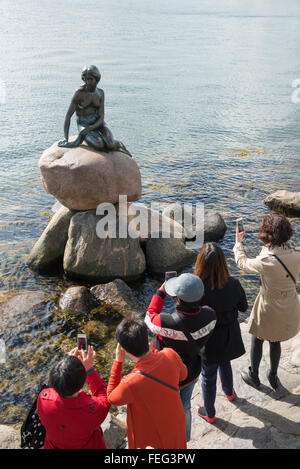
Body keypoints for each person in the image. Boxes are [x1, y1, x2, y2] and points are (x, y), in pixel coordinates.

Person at [144, 273, 216, 441]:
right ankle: (184, 439)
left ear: (176, 298)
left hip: (166, 375)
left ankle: (163, 439)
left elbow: (149, 315)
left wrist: (161, 292)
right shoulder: (210, 315)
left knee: (161, 408)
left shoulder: (164, 322)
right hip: (191, 372)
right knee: (185, 406)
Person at [234, 214, 300, 389]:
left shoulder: (266, 260)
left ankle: (254, 375)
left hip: (268, 306)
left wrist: (238, 243)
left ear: (267, 235)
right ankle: (273, 375)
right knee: (275, 340)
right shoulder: (296, 254)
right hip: (289, 304)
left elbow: (242, 263)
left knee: (258, 337)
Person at [107, 316, 187, 449]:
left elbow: (111, 397)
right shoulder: (170, 354)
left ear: (125, 350)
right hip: (175, 422)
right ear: (146, 337)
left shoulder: (130, 383)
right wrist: (154, 352)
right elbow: (183, 375)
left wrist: (118, 362)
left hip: (153, 436)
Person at [193, 242, 248, 423]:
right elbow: (243, 307)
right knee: (225, 363)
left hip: (208, 341)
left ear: (201, 262)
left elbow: (190, 313)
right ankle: (230, 393)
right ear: (223, 262)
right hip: (230, 336)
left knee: (208, 376)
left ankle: (209, 413)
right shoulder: (233, 283)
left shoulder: (197, 287)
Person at [37, 346, 110, 449]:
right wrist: (89, 369)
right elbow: (104, 396)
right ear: (82, 383)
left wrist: (66, 367)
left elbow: (57, 385)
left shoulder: (43, 398)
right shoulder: (93, 410)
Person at [58, 65, 130, 155]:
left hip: (98, 123)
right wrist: (66, 138)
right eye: (85, 79)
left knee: (110, 144)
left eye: (90, 79)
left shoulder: (100, 93)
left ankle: (119, 144)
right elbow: (68, 116)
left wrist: (90, 128)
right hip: (84, 123)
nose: (87, 82)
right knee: (99, 144)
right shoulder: (79, 93)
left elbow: (101, 117)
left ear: (97, 79)